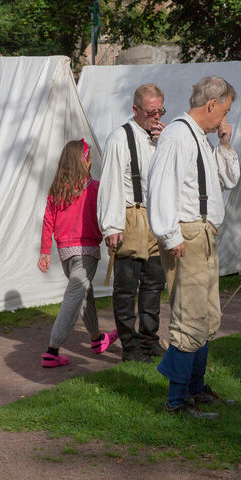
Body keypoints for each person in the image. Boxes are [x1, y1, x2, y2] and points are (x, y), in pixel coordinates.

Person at [147, 76, 241, 419]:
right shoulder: (176, 136)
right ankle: (176, 401)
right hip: (186, 236)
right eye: (225, 111)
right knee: (189, 316)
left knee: (207, 315)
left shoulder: (199, 137)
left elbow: (228, 179)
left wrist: (225, 145)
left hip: (203, 235)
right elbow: (160, 187)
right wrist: (170, 236)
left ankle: (196, 389)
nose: (224, 118)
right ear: (212, 105)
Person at [97, 83, 168, 362]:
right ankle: (130, 346)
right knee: (126, 288)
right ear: (135, 109)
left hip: (156, 217)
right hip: (130, 216)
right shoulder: (119, 138)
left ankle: (149, 340)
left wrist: (165, 144)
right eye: (151, 112)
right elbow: (110, 184)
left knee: (154, 284)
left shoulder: (161, 138)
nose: (156, 117)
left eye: (160, 111)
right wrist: (111, 227)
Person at [38, 139, 118, 368]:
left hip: (65, 253)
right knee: (74, 296)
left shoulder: (58, 189)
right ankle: (52, 350)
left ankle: (96, 339)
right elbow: (106, 215)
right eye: (90, 157)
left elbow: (48, 221)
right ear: (85, 162)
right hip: (86, 252)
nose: (92, 161)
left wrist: (45, 251)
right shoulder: (95, 188)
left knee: (84, 293)